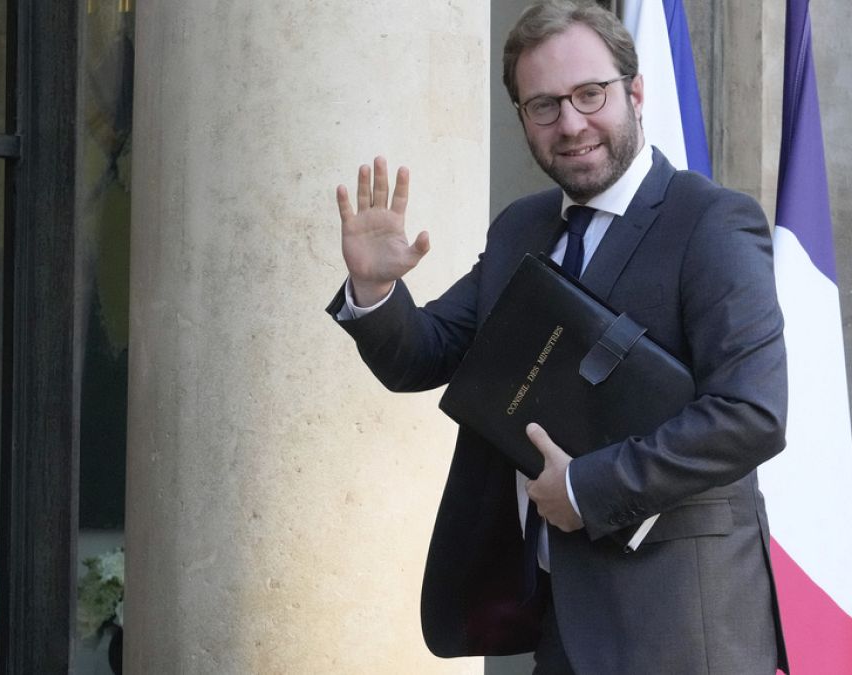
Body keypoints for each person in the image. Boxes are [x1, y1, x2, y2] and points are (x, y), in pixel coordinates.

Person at [328, 2, 789, 673]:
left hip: (683, 631)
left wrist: (585, 489)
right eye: (544, 105)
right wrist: (374, 291)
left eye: (589, 95)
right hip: (561, 630)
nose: (570, 124)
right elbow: (424, 353)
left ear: (635, 92)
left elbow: (752, 414)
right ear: (522, 121)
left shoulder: (713, 223)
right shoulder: (521, 227)